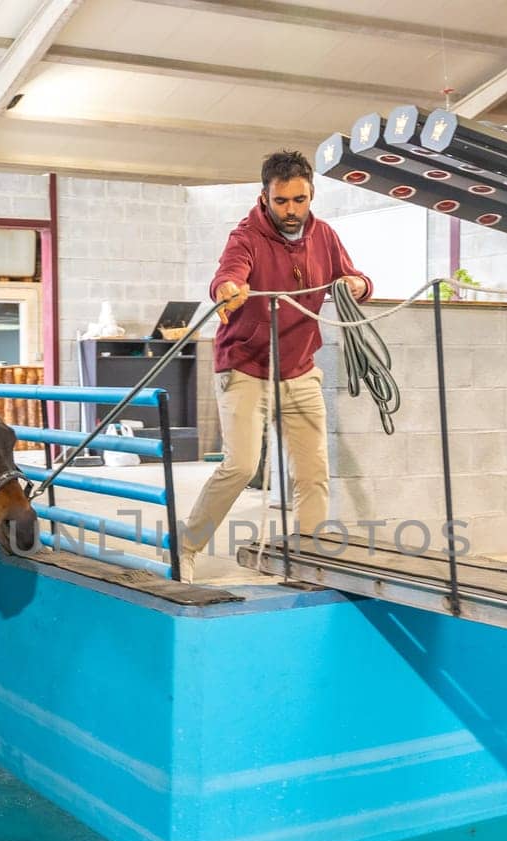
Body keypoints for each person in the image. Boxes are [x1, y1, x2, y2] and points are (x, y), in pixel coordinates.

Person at [181, 150, 373, 580]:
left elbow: (358, 279)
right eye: (282, 201)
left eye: (300, 200)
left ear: (311, 195)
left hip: (300, 369)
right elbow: (228, 274)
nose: (292, 211)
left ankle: (309, 560)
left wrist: (357, 284)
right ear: (264, 196)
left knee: (313, 471)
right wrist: (228, 288)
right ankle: (185, 546)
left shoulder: (324, 235)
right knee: (242, 466)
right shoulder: (246, 236)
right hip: (246, 366)